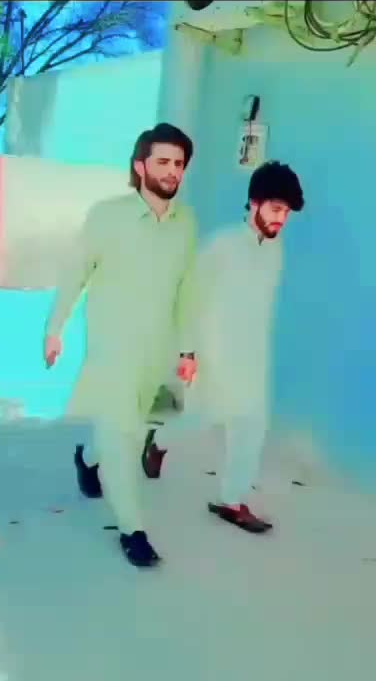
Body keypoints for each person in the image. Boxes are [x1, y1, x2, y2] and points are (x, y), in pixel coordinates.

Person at [44, 123, 198, 568]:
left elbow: (187, 290)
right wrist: (55, 328)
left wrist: (188, 350)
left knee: (136, 425)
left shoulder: (186, 224)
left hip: (158, 352)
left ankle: (88, 460)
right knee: (123, 438)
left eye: (179, 163)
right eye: (163, 161)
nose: (172, 171)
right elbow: (76, 272)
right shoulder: (106, 216)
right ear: (140, 166)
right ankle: (133, 530)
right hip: (111, 351)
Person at [153, 161, 304, 534]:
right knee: (199, 419)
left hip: (252, 359)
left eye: (286, 212)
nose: (281, 219)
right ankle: (156, 442)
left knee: (251, 429)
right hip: (212, 359)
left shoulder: (275, 250)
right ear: (254, 203)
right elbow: (189, 300)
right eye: (276, 208)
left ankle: (231, 501)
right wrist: (187, 352)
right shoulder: (221, 247)